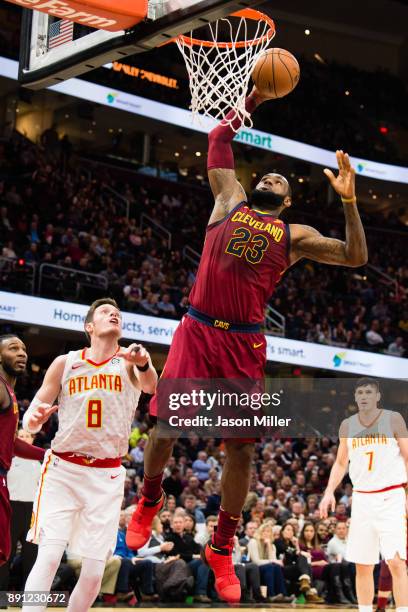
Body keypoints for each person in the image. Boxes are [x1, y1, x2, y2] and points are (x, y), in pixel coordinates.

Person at [126, 84, 368, 603]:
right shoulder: (228, 199)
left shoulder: (294, 236)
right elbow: (218, 135)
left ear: (288, 199)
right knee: (166, 427)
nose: (273, 176)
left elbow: (354, 256)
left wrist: (349, 202)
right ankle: (148, 500)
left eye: (282, 179)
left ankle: (222, 543)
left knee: (240, 451)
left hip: (243, 345)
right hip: (197, 328)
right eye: (268, 173)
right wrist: (253, 99)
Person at [21, 298, 157, 612]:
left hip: (106, 475)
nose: (115, 314)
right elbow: (30, 416)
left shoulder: (128, 363)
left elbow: (151, 386)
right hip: (63, 469)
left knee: (95, 571)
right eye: (106, 312)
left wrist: (144, 362)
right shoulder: (65, 362)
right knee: (51, 554)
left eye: (118, 314)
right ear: (89, 327)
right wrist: (34, 418)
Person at [320, 377, 408, 612]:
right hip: (362, 499)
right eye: (360, 393)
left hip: (391, 497)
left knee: (397, 562)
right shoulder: (348, 425)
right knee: (363, 564)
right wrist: (329, 491)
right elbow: (340, 463)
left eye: (369, 392)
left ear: (377, 396)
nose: (364, 396)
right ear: (355, 398)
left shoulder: (393, 419)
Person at [0, 335, 45, 569]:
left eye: (24, 349)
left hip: (3, 477)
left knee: (3, 550)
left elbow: (12, 442)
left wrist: (47, 455)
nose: (22, 353)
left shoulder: (9, 391)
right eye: (13, 348)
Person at [0, 429, 42, 590]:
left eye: (27, 436)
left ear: (32, 440)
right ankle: (2, 597)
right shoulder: (7, 460)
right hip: (11, 509)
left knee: (31, 556)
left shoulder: (40, 463)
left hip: (31, 511)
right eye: (21, 436)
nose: (24, 439)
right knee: (6, 554)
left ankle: (29, 597)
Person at [247, 522, 294, 603]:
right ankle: (271, 595)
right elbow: (256, 561)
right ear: (259, 532)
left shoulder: (272, 545)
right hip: (254, 569)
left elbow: (274, 562)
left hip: (267, 568)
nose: (266, 533)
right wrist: (272, 561)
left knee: (276, 567)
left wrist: (269, 545)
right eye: (264, 531)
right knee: (271, 566)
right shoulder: (253, 542)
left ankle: (283, 594)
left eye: (268, 531)